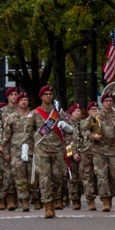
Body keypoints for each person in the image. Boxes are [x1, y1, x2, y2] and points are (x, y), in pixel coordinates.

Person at [22, 85, 76, 218]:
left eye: (50, 94)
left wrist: (66, 126)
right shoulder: (34, 114)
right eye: (45, 94)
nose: (48, 96)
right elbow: (28, 134)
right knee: (45, 178)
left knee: (58, 178)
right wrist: (24, 150)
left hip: (57, 150)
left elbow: (72, 130)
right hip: (41, 151)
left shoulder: (59, 112)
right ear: (41, 96)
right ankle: (48, 205)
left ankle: (54, 198)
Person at [90, 91, 115, 211]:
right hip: (99, 151)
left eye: (110, 101)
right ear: (102, 102)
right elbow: (85, 131)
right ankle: (105, 200)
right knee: (102, 176)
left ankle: (110, 195)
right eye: (106, 101)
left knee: (114, 176)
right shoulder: (96, 116)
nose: (108, 103)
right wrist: (93, 136)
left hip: (114, 151)